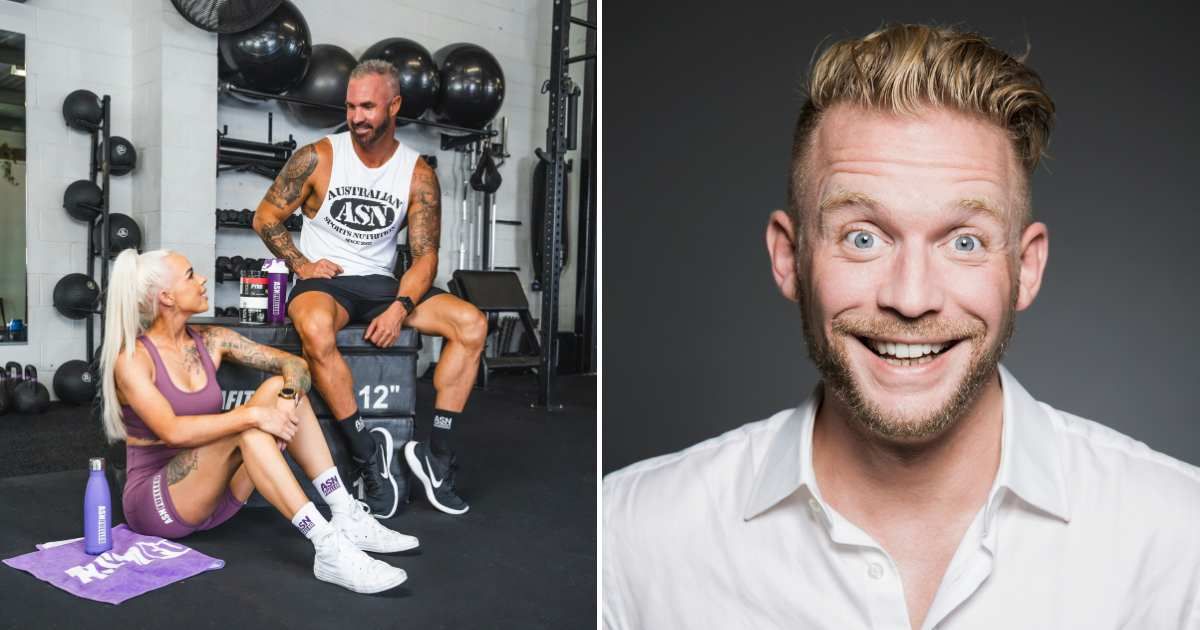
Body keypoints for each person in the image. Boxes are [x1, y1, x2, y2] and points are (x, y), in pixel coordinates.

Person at [603, 24, 1200, 629]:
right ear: (790, 257)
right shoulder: (631, 540)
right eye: (863, 237)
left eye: (964, 241)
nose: (911, 299)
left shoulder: (1180, 543)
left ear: (1025, 269)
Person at [99, 249, 418, 594]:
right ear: (166, 297)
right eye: (191, 275)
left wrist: (283, 403)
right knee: (250, 430)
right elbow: (172, 430)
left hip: (217, 496)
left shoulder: (212, 339)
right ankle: (327, 544)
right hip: (158, 504)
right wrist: (254, 415)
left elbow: (295, 366)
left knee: (281, 388)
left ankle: (344, 511)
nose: (203, 279)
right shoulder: (133, 360)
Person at [252, 59, 486, 518]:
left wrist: (400, 306)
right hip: (330, 284)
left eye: (368, 106)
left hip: (383, 285)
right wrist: (301, 263)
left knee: (472, 325)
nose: (357, 116)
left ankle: (435, 454)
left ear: (394, 105)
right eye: (351, 106)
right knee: (316, 330)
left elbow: (425, 258)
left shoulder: (416, 173)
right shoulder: (318, 156)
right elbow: (266, 217)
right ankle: (367, 458)